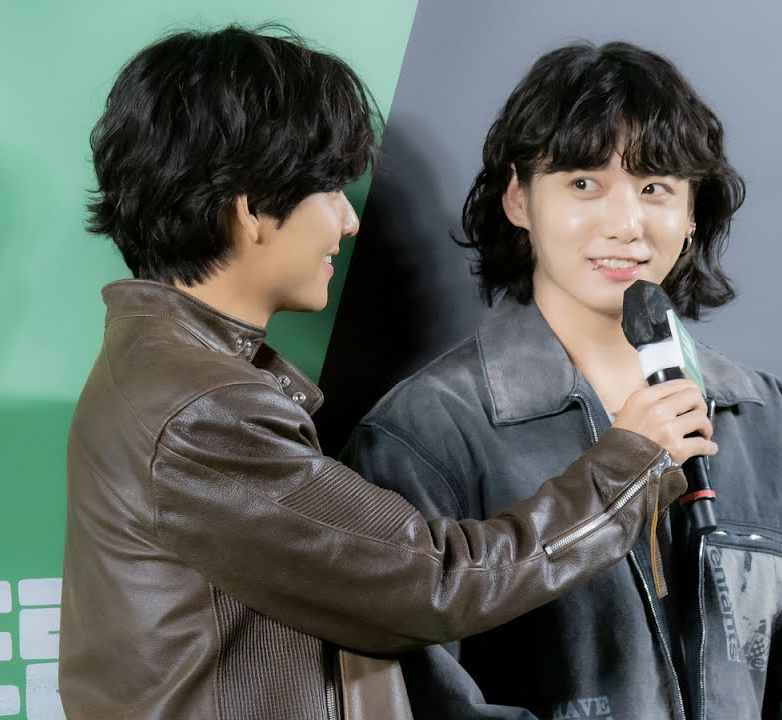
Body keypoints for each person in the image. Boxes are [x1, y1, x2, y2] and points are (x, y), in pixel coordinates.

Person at [58, 26, 709, 720]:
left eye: (654, 187)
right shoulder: (201, 412)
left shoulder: (171, 378)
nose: (348, 220)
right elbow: (436, 583)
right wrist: (630, 465)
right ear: (250, 209)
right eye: (329, 189)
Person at [342, 42, 782, 720]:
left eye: (655, 188)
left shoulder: (766, 418)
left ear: (692, 214)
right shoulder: (425, 433)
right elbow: (424, 700)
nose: (625, 224)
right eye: (584, 184)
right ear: (518, 199)